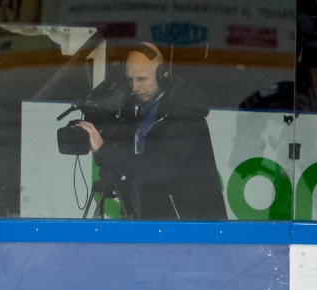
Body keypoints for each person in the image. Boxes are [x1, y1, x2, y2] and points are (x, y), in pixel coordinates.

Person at [77, 43, 227, 220]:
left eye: (141, 79)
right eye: (129, 79)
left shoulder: (185, 114)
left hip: (189, 227)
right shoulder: (136, 110)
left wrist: (104, 150)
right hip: (150, 221)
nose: (134, 87)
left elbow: (159, 169)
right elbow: (130, 159)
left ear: (162, 76)